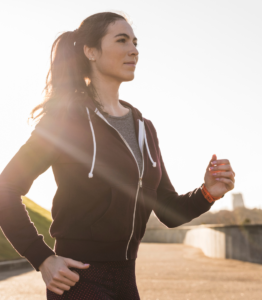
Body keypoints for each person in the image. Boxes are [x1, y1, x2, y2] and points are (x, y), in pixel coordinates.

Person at [0, 11, 235, 300]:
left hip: (126, 280)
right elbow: (6, 187)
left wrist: (208, 193)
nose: (133, 50)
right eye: (121, 40)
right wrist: (42, 258)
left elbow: (168, 210)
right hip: (78, 280)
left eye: (135, 42)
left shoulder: (144, 129)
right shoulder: (66, 119)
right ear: (91, 51)